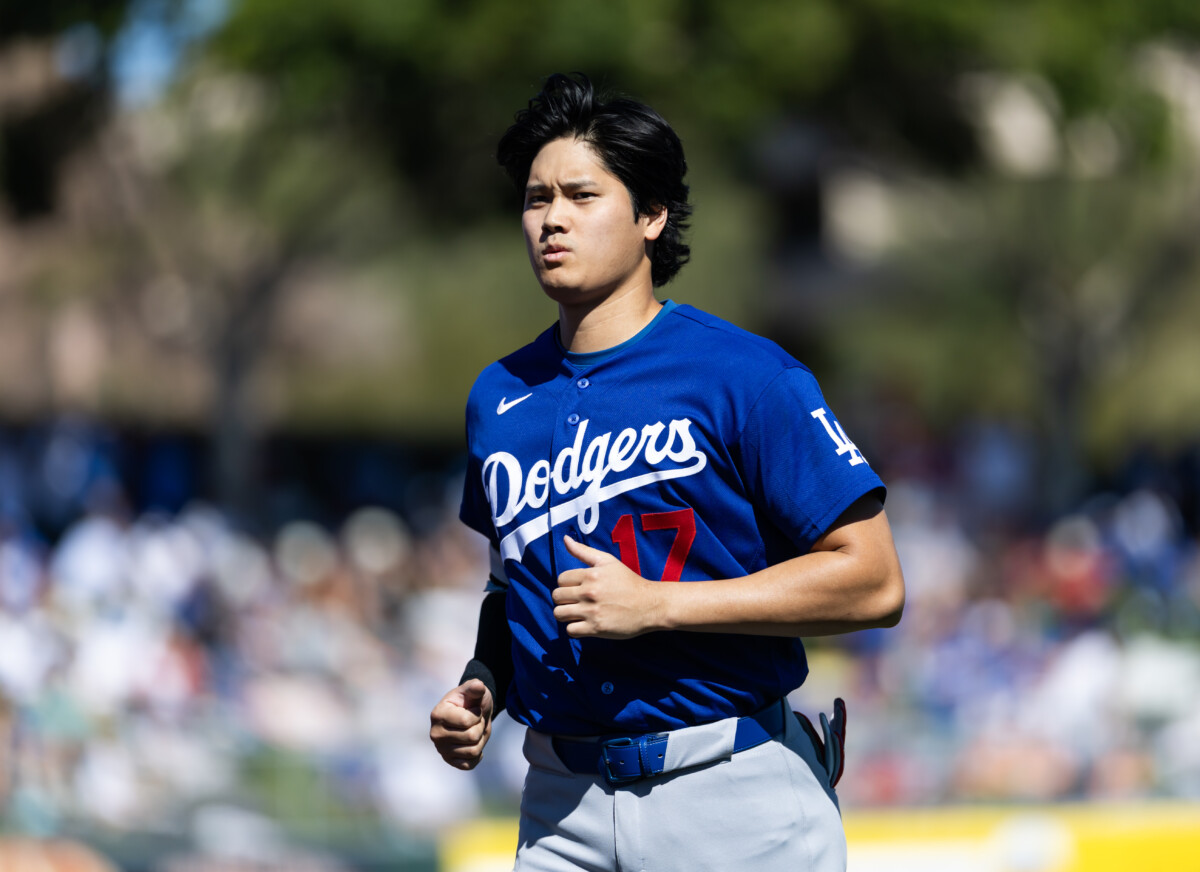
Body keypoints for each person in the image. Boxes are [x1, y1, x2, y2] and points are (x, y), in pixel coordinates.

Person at [429, 72, 905, 872]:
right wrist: (484, 678)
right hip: (559, 805)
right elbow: (511, 584)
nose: (551, 219)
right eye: (536, 198)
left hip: (730, 790)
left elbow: (875, 582)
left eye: (582, 195)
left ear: (652, 215)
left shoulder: (744, 375)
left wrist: (660, 607)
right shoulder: (498, 395)